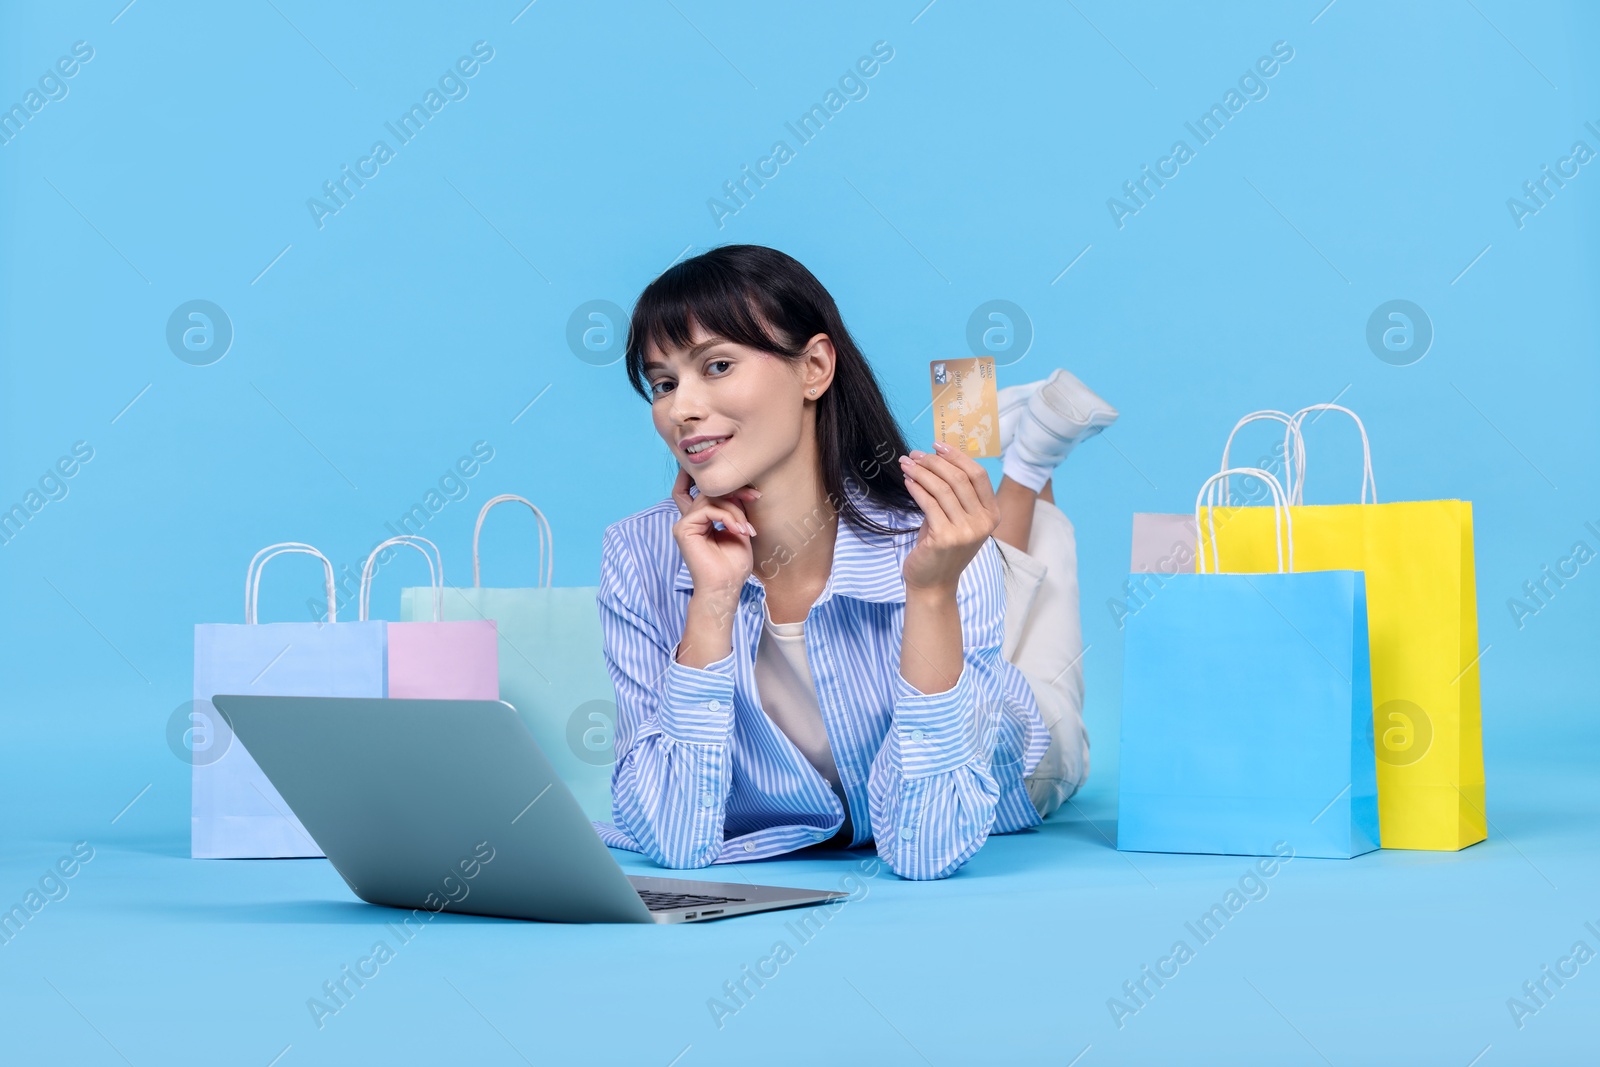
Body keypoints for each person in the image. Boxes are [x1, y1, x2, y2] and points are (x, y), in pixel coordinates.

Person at [593, 245, 1116, 880]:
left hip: (1010, 763)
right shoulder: (638, 555)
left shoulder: (919, 539)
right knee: (991, 552)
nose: (681, 409)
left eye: (718, 365)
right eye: (664, 383)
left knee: (1042, 638)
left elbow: (927, 850)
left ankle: (1031, 466)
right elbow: (671, 840)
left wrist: (931, 596)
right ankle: (1027, 460)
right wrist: (712, 603)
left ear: (813, 367)